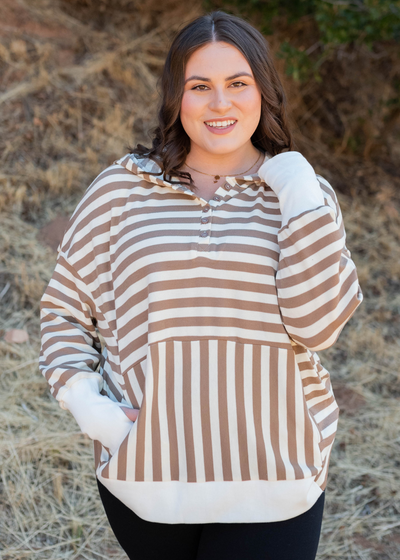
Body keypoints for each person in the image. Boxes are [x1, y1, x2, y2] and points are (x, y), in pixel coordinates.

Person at [39, 10, 363, 560]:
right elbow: (64, 311)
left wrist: (294, 183)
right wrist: (93, 409)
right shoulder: (124, 188)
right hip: (148, 480)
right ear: (176, 97)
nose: (220, 103)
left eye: (238, 83)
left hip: (273, 482)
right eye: (200, 86)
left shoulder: (302, 194)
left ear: (263, 90)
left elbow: (317, 325)